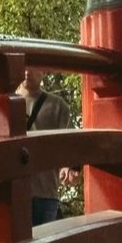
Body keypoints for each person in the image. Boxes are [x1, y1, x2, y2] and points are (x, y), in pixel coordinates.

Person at [19, 74, 74, 226]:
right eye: (23, 64)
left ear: (43, 69)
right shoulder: (6, 102)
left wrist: (67, 166)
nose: (28, 71)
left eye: (33, 65)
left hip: (45, 192)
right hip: (14, 192)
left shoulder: (57, 105)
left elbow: (69, 145)